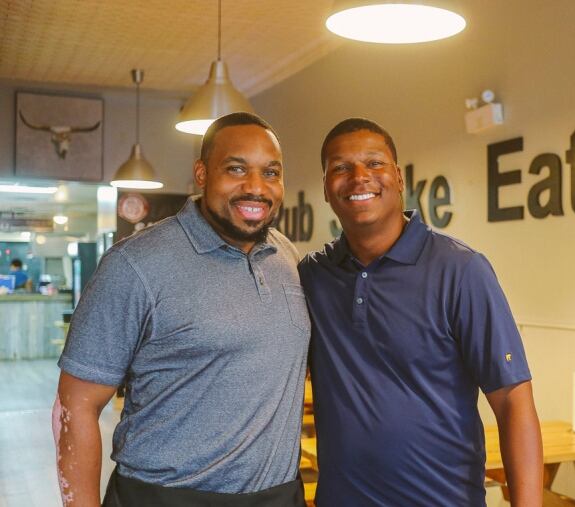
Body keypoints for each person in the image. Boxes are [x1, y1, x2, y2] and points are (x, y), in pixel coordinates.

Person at [53, 112, 310, 507]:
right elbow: (77, 405)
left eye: (271, 173)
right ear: (202, 174)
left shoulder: (286, 257)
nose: (256, 187)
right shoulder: (135, 264)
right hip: (164, 498)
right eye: (236, 169)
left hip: (279, 495)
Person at [298, 118, 544, 507]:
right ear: (327, 189)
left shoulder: (461, 270)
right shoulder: (313, 276)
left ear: (398, 177)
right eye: (340, 168)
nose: (359, 177)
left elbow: (513, 400)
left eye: (374, 164)